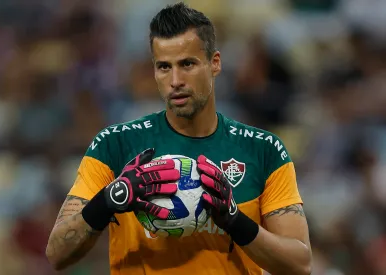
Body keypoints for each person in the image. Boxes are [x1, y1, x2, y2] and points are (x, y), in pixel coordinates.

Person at [46, 3, 312, 275]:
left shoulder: (262, 149)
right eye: (164, 67)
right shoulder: (115, 144)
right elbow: (56, 253)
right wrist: (111, 198)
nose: (175, 80)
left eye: (187, 64)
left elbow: (300, 264)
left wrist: (234, 220)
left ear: (214, 63)